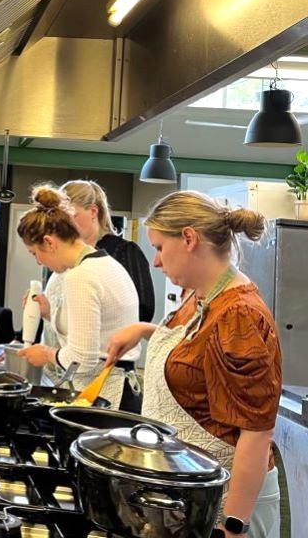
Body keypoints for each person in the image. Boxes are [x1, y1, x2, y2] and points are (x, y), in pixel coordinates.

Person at [107, 191, 281, 538]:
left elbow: (257, 431)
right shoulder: (199, 293)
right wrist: (145, 331)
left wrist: (233, 526)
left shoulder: (239, 314)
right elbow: (199, 356)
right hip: (188, 491)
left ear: (188, 238)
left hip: (227, 500)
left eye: (158, 247)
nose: (155, 262)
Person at [16, 185, 140, 409]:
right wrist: (50, 313)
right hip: (119, 388)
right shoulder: (103, 263)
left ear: (50, 242)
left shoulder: (80, 275)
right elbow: (97, 327)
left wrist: (45, 354)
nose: (38, 262)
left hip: (105, 393)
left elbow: (81, 360)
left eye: (35, 253)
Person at [61, 179, 155, 322]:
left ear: (93, 211)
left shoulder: (125, 251)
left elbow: (144, 310)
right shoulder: (64, 255)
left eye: (71, 216)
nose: (64, 224)